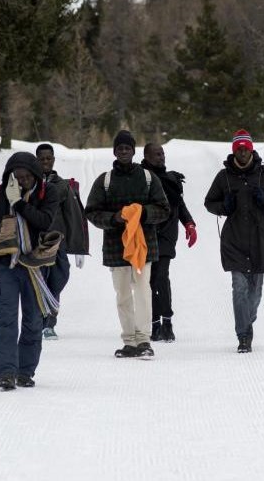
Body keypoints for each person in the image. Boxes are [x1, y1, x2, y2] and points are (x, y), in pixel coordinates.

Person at [0, 151, 64, 390]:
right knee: (6, 319)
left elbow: (44, 221)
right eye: (16, 177)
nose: (22, 182)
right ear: (9, 176)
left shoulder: (48, 192)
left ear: (35, 175)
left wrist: (18, 203)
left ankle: (25, 372)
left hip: (36, 267)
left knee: (33, 320)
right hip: (6, 266)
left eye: (27, 177)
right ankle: (6, 373)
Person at [203, 129, 264, 354]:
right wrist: (225, 207)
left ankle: (247, 319)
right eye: (238, 149)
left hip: (261, 237)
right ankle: (243, 335)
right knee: (239, 287)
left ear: (251, 150)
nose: (242, 152)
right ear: (233, 151)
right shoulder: (224, 177)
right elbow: (209, 202)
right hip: (234, 238)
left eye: (246, 148)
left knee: (256, 290)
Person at [85, 129, 169, 359]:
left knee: (143, 292)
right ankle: (129, 340)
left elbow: (164, 209)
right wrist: (114, 218)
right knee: (122, 294)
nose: (124, 152)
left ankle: (144, 340)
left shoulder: (149, 178)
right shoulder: (104, 180)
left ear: (133, 151)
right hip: (115, 246)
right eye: (120, 148)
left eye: (127, 148)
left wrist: (142, 214)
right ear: (115, 151)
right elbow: (91, 212)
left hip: (144, 245)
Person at [141, 141, 197, 342]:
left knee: (161, 278)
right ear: (146, 156)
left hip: (167, 236)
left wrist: (189, 224)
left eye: (162, 153)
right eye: (156, 154)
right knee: (149, 280)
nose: (161, 157)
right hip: (146, 235)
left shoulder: (171, 178)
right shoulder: (141, 177)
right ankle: (154, 323)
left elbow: (179, 204)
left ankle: (167, 323)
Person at [35, 142, 89, 339]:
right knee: (37, 283)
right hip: (35, 245)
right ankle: (39, 323)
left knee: (57, 281)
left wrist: (79, 249)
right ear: (36, 160)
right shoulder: (28, 182)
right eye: (41, 159)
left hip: (58, 244)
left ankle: (49, 322)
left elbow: (73, 217)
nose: (45, 162)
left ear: (53, 160)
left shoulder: (62, 186)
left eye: (48, 159)